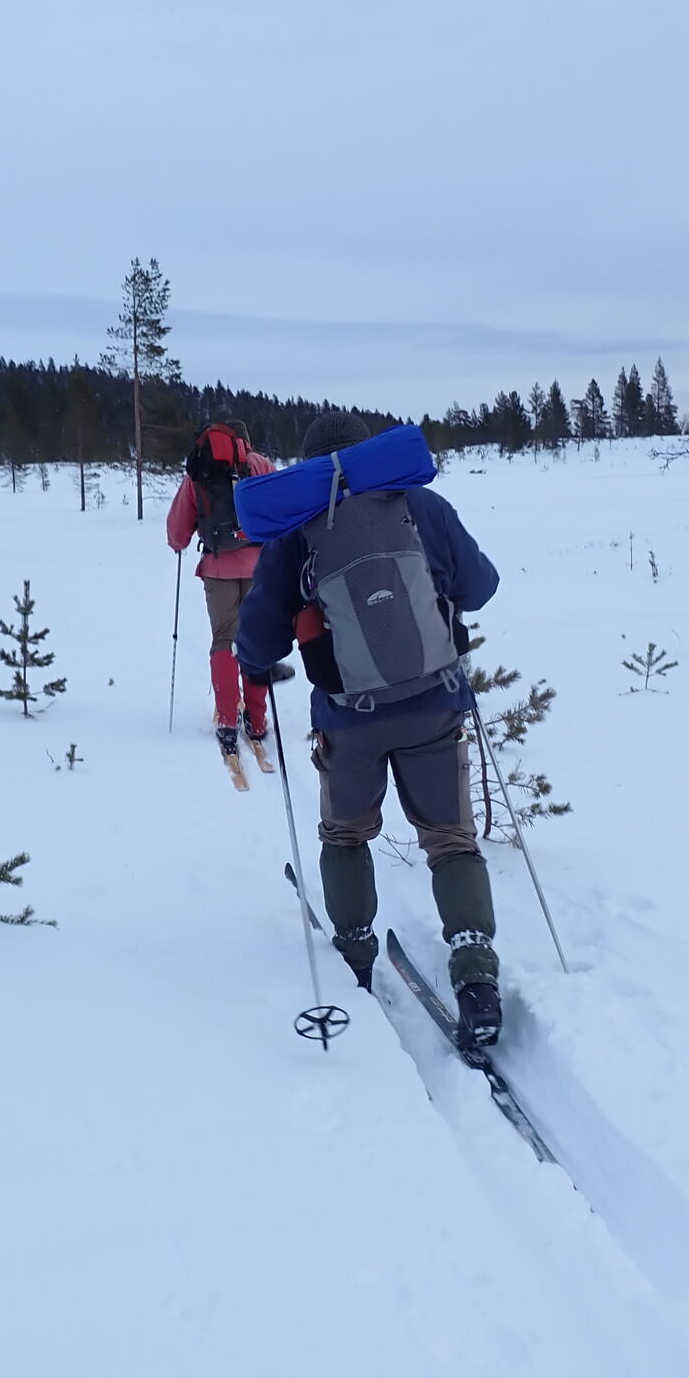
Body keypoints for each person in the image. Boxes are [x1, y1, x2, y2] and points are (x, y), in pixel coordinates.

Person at [233, 413, 507, 1047]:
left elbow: (259, 640)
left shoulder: (298, 527)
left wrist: (259, 662)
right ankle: (476, 975)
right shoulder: (422, 505)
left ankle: (355, 957)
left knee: (346, 834)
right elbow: (481, 586)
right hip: (434, 702)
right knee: (451, 840)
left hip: (348, 716)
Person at [166, 418, 276, 764]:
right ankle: (256, 720)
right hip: (260, 566)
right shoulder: (261, 465)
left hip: (218, 567)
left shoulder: (199, 467)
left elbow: (178, 528)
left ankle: (228, 719)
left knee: (225, 639)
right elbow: (280, 513)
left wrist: (178, 542)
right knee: (256, 640)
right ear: (246, 441)